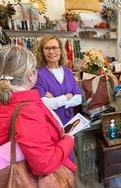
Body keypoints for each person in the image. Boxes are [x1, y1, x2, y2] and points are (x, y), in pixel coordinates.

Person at [0, 45, 76, 177]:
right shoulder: (28, 111)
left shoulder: (9, 101)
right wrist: (68, 140)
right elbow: (45, 164)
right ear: (31, 75)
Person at [34, 35, 82, 125]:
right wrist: (67, 97)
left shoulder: (67, 71)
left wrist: (56, 101)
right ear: (42, 52)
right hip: (51, 124)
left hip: (70, 122)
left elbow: (79, 98)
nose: (51, 51)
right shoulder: (39, 74)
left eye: (54, 48)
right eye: (47, 48)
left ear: (60, 50)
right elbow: (44, 103)